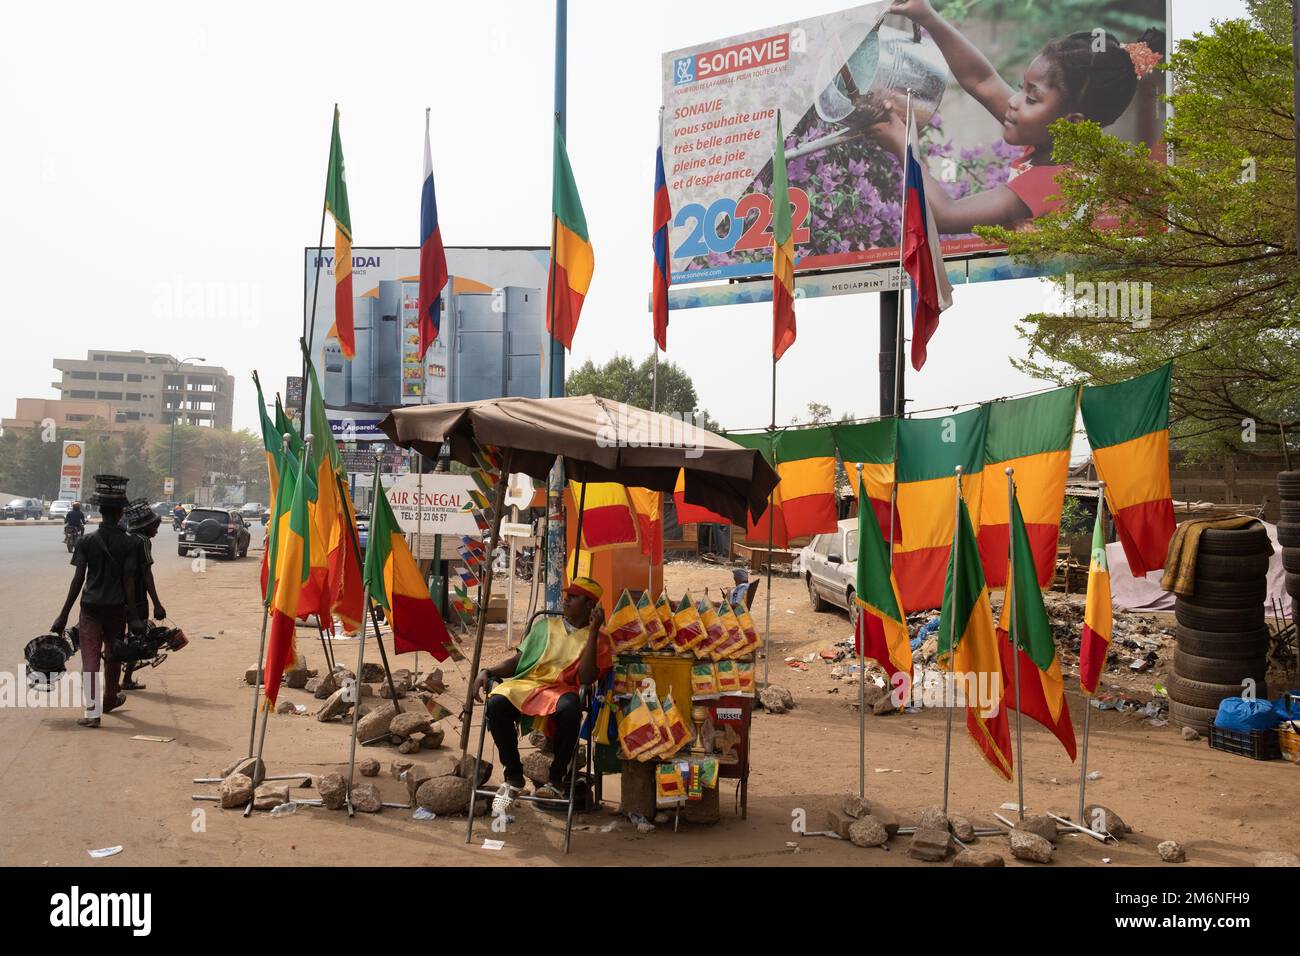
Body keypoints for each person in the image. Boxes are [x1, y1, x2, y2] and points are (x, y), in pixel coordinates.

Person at [867, 0, 1162, 231]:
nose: (1014, 102)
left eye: (1031, 98)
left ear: (1072, 123)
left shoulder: (1053, 184)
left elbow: (945, 216)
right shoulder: (1056, 145)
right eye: (1022, 88)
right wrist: (928, 16)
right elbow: (981, 80)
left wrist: (904, 146)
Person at [471, 577, 610, 812]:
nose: (566, 600)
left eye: (573, 597)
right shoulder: (544, 627)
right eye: (567, 595)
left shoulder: (600, 639)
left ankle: (556, 779)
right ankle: (513, 774)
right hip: (528, 684)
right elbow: (517, 662)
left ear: (590, 606)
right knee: (496, 703)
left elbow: (586, 678)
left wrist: (594, 631)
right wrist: (488, 670)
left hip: (562, 689)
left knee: (571, 709)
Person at [50, 475, 146, 728]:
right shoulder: (129, 543)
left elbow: (77, 580)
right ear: (120, 513)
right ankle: (110, 697)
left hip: (90, 608)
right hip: (117, 610)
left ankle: (93, 712)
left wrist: (62, 615)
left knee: (90, 661)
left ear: (101, 512)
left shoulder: (87, 541)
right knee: (114, 656)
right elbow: (129, 582)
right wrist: (135, 617)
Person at [122, 500, 167, 691]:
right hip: (137, 598)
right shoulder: (143, 542)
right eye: (154, 527)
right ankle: (126, 679)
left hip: (116, 597)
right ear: (147, 526)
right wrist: (157, 603)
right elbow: (146, 575)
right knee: (136, 638)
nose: (156, 531)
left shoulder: (123, 538)